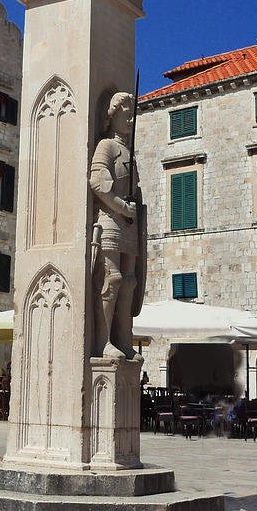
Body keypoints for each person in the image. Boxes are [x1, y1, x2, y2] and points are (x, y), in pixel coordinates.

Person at [88, 92, 145, 360]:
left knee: (130, 282)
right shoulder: (107, 146)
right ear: (113, 117)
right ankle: (103, 342)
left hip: (129, 224)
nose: (131, 119)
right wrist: (122, 206)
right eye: (126, 114)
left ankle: (123, 339)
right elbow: (98, 182)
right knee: (112, 280)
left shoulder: (129, 152)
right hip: (110, 219)